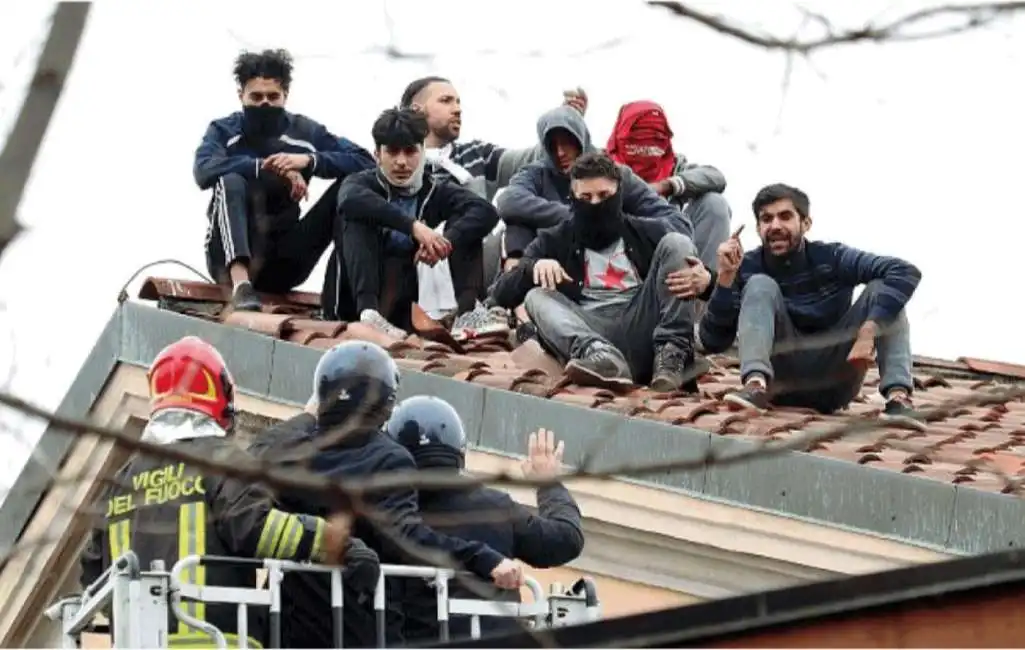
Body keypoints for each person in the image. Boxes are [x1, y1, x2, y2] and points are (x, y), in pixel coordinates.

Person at [78, 336, 368, 648]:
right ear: (219, 395)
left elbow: (94, 572)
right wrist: (337, 544)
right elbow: (257, 528)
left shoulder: (121, 480)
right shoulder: (222, 460)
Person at [247, 341, 525, 647]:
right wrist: (485, 558)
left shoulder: (291, 452)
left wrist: (308, 417)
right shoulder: (388, 459)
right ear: (385, 402)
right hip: (363, 624)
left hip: (291, 627)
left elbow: (255, 455)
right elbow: (408, 537)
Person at [697, 183, 924, 423]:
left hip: (835, 380)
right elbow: (713, 340)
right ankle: (755, 385)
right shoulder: (746, 267)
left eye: (785, 217)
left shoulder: (833, 258)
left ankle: (898, 398)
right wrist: (725, 278)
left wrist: (870, 329)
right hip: (779, 381)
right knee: (760, 284)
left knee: (885, 292)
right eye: (766, 219)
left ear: (806, 224)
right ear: (758, 228)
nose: (775, 226)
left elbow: (905, 272)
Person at [491, 152, 710, 393]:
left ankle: (673, 355)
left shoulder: (646, 232)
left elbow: (701, 274)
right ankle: (602, 357)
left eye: (604, 196)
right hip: (592, 338)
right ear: (572, 199)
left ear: (620, 194)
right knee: (536, 297)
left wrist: (708, 280)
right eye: (586, 197)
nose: (595, 204)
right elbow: (500, 294)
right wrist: (533, 268)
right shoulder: (555, 239)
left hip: (644, 329)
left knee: (678, 243)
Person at [386, 397, 584, 643]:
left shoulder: (387, 510)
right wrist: (548, 484)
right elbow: (565, 540)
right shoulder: (497, 508)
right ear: (459, 450)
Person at [194, 48, 375, 312]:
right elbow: (203, 170)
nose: (264, 103)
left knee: (351, 188)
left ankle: (345, 294)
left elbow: (365, 162)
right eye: (256, 97)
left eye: (272, 96)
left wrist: (309, 161)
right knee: (229, 179)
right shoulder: (224, 130)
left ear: (285, 96)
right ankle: (242, 285)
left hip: (284, 259)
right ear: (241, 95)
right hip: (228, 261)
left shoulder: (305, 132)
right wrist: (267, 167)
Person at [331, 107, 507, 340]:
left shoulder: (433, 189)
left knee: (467, 222)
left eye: (410, 151)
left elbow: (486, 212)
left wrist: (445, 242)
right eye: (392, 152)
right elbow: (349, 200)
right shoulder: (361, 183)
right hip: (354, 305)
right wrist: (415, 227)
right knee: (357, 217)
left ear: (423, 152)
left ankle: (466, 312)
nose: (401, 162)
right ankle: (369, 314)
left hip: (401, 306)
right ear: (377, 155)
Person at [496, 105, 689, 263]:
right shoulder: (537, 173)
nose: (561, 152)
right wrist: (578, 217)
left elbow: (677, 223)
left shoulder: (614, 174)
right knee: (516, 225)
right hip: (555, 271)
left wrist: (619, 223)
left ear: (580, 139)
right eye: (553, 145)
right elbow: (509, 201)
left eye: (567, 143)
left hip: (620, 273)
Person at [399, 76, 588, 202]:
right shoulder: (394, 162)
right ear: (417, 110)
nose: (457, 109)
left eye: (458, 102)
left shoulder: (477, 154)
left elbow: (534, 157)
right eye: (446, 101)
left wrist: (565, 123)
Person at [607, 100, 731, 270]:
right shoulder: (600, 168)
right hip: (617, 267)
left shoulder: (675, 166)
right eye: (639, 137)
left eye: (655, 138)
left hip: (677, 258)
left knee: (715, 203)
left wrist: (666, 186)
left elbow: (715, 177)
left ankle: (704, 289)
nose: (647, 149)